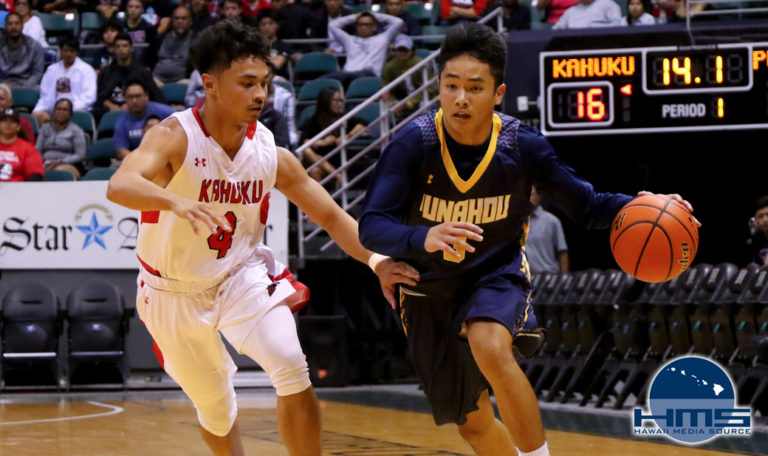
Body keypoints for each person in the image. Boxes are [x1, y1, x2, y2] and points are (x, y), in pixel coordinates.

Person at [358, 22, 697, 456]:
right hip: (427, 290)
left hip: (493, 273)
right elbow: (372, 226)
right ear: (438, 86)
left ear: (498, 93)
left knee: (488, 343)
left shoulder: (523, 145)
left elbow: (586, 206)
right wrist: (424, 236)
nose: (461, 98)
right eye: (451, 86)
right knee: (473, 423)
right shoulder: (412, 143)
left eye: (475, 88)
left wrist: (642, 205)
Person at [105, 20, 418, 456]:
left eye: (265, 83)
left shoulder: (272, 152)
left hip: (240, 276)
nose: (260, 95)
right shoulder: (173, 137)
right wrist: (175, 202)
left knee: (291, 363)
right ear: (210, 84)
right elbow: (119, 185)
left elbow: (331, 215)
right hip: (172, 291)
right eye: (247, 83)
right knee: (216, 408)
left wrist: (378, 261)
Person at [300, 86, 366, 184]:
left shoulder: (343, 118)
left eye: (341, 100)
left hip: (335, 159)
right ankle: (338, 176)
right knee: (310, 159)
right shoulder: (313, 120)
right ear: (326, 101)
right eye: (336, 101)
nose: (340, 104)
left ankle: (336, 178)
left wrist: (347, 136)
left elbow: (363, 124)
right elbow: (304, 143)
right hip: (315, 158)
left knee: (315, 170)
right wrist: (323, 142)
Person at [94, 33, 165, 122]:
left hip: (137, 110)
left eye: (125, 46)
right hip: (110, 110)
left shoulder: (142, 71)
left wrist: (130, 104)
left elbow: (154, 95)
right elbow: (100, 97)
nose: (121, 49)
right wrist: (111, 106)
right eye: (118, 46)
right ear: (114, 49)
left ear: (131, 48)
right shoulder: (106, 72)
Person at [32, 35, 98, 126]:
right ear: (60, 50)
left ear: (77, 52)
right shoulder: (52, 69)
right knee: (37, 116)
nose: (68, 54)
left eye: (71, 51)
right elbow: (45, 96)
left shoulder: (87, 70)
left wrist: (67, 109)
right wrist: (38, 110)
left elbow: (89, 98)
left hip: (77, 109)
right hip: (55, 109)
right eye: (65, 50)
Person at [325, 12, 404, 87]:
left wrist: (374, 15)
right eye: (360, 24)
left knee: (349, 76)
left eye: (366, 24)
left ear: (374, 27)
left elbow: (398, 22)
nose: (363, 27)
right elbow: (332, 25)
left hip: (370, 75)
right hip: (348, 74)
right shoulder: (349, 40)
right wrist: (355, 17)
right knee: (325, 80)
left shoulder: (382, 39)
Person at [381, 34, 437, 122]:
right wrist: (392, 102)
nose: (403, 53)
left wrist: (408, 103)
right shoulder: (389, 67)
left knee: (424, 105)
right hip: (401, 99)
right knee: (384, 108)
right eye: (400, 50)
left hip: (424, 98)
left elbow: (429, 88)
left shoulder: (421, 64)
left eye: (406, 50)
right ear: (395, 50)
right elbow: (385, 88)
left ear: (412, 50)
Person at [113, 80, 175, 159]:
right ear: (125, 99)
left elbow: (180, 139)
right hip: (136, 162)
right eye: (130, 97)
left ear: (146, 96)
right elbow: (121, 150)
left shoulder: (166, 113)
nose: (134, 100)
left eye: (138, 96)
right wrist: (141, 162)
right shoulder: (122, 122)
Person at [35, 98, 88, 179]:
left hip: (69, 164)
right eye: (59, 109)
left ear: (70, 114)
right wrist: (41, 160)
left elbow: (80, 155)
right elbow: (37, 149)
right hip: (45, 163)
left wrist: (59, 162)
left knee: (56, 171)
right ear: (54, 111)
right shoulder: (45, 128)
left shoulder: (76, 131)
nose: (61, 112)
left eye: (65, 110)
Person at [145, 6, 195, 85]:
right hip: (157, 80)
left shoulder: (195, 40)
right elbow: (146, 60)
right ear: (172, 21)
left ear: (190, 21)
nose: (180, 21)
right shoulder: (160, 39)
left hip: (182, 81)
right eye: (177, 18)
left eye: (183, 18)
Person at [526, 186, 568, 274]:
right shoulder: (518, 222)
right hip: (525, 279)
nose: (528, 199)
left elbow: (562, 252)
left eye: (531, 195)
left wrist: (564, 278)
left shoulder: (551, 221)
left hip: (547, 277)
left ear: (539, 196)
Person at [0, 12, 45, 89]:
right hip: (3, 85)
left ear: (22, 26)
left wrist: (25, 86)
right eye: (10, 24)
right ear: (5, 26)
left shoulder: (34, 46)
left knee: (41, 90)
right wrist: (4, 86)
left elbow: (38, 73)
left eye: (17, 23)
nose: (13, 27)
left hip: (28, 84)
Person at [0, 108, 43, 182]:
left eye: (12, 121)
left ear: (18, 127)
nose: (8, 123)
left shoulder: (28, 148)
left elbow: (35, 174)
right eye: (4, 120)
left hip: (18, 190)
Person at [552, 0, 622, 28]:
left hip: (603, 45)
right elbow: (556, 29)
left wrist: (593, 26)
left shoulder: (608, 4)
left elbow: (617, 25)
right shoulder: (571, 11)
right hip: (575, 46)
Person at [748, 196, 768, 266]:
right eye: (761, 216)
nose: (765, 220)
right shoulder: (756, 239)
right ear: (755, 220)